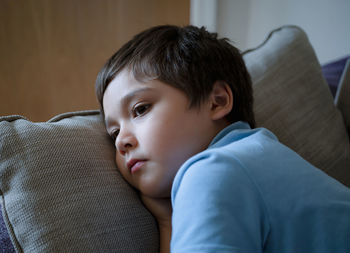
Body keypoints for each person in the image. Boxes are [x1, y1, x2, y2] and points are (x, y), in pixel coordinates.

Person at [95, 25, 350, 253]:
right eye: (114, 132)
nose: (120, 142)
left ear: (216, 102)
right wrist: (167, 221)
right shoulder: (254, 154)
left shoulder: (213, 170)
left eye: (140, 109)